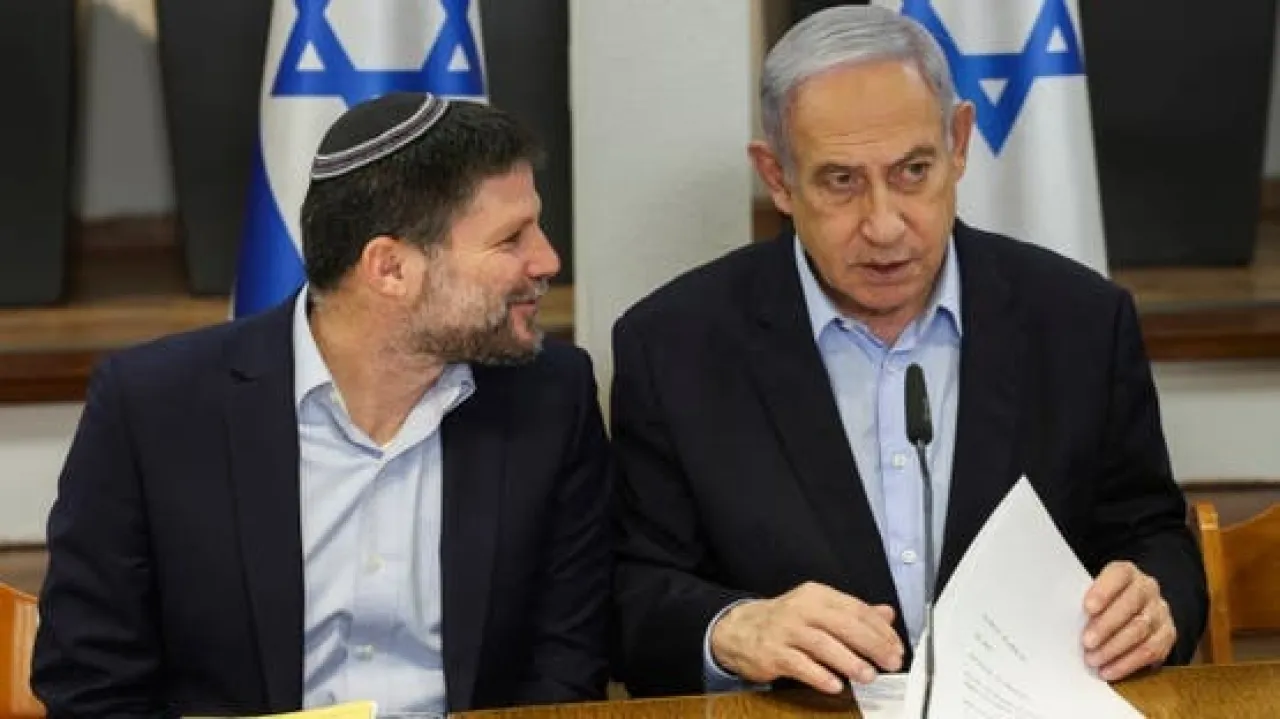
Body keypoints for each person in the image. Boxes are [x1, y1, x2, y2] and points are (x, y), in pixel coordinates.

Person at [610, 5, 1206, 698]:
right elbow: (632, 597)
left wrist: (1153, 602)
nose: (885, 225)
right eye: (841, 181)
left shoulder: (1080, 322)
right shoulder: (675, 347)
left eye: (913, 171)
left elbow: (1153, 536)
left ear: (959, 142)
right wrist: (733, 629)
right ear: (777, 177)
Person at [33, 92, 612, 717]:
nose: (547, 260)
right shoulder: (154, 409)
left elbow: (568, 664)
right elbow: (91, 683)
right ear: (389, 268)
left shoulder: (552, 398)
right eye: (511, 240)